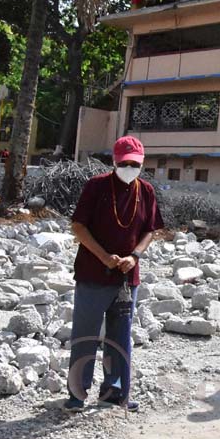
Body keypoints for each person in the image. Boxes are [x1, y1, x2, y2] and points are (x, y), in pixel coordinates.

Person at [64, 136, 164, 413]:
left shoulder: (146, 190)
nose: (130, 168)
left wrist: (135, 256)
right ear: (114, 161)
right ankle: (77, 394)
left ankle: (115, 392)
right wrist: (104, 257)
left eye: (135, 164)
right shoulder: (96, 186)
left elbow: (150, 230)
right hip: (93, 273)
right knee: (85, 335)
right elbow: (79, 226)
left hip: (126, 278)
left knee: (120, 336)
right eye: (125, 163)